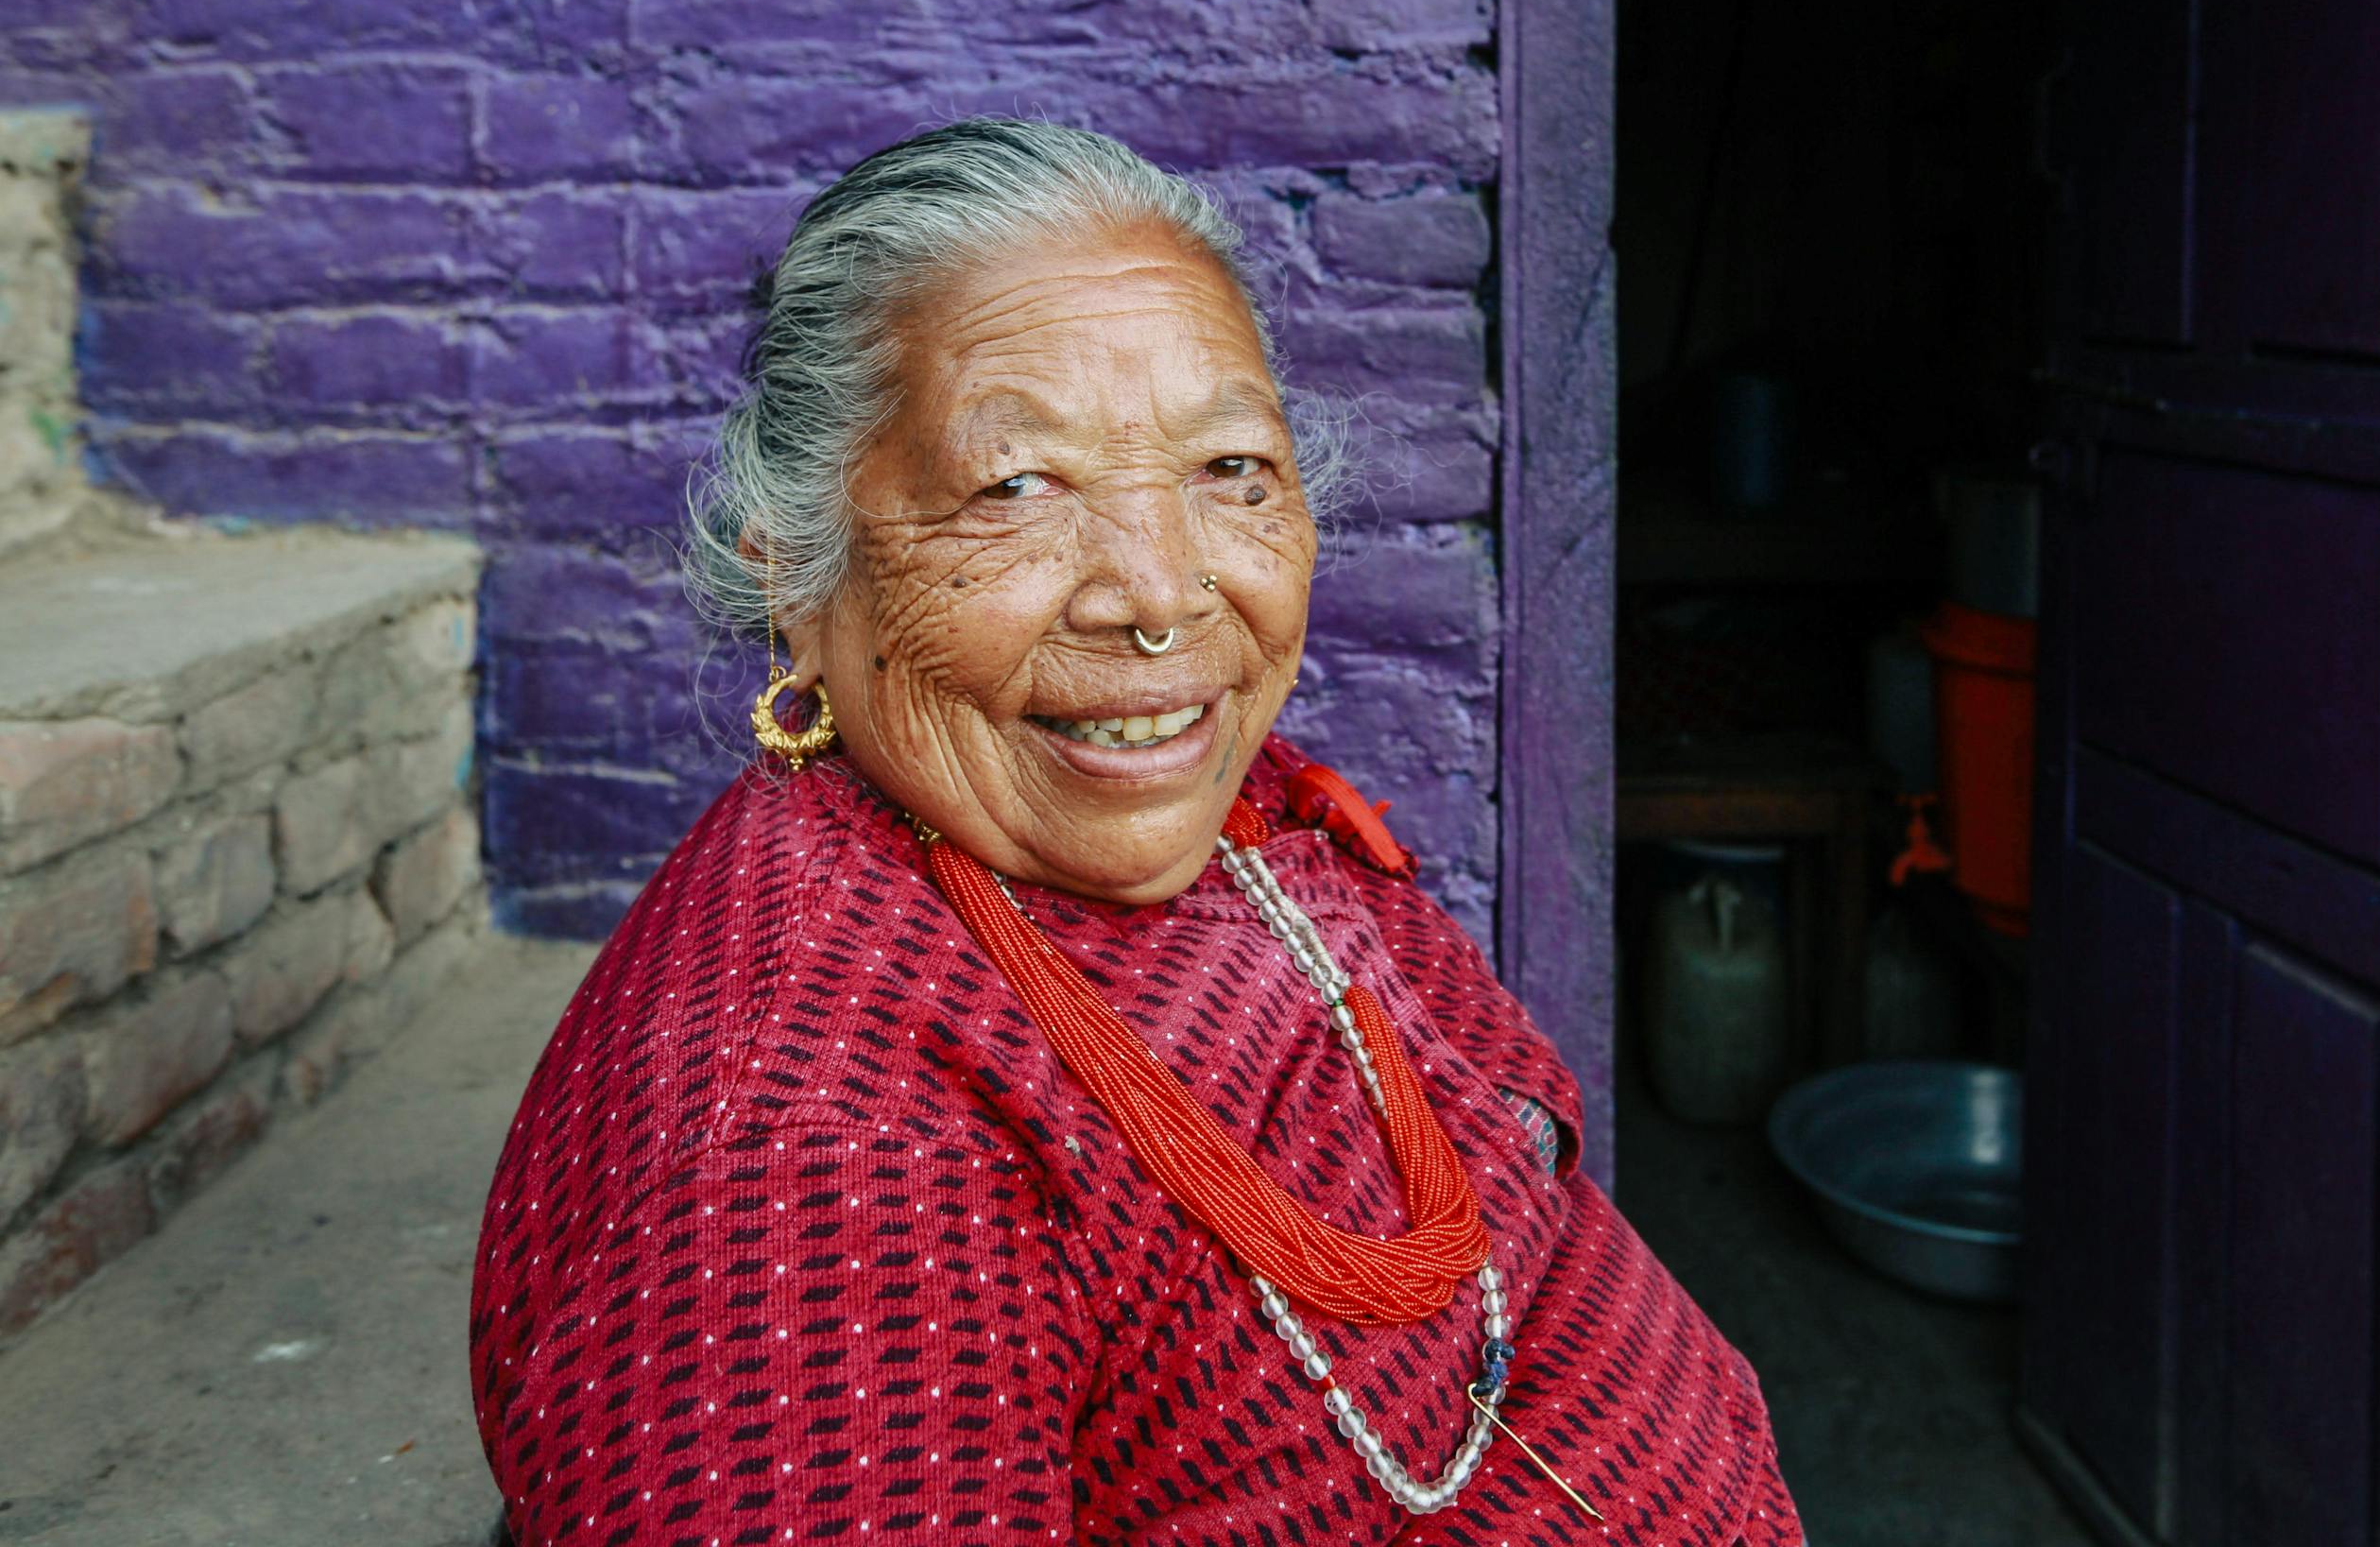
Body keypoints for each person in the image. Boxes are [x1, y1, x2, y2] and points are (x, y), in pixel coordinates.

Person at [470, 119, 1802, 1545]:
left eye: (1231, 468)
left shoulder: (1201, 811)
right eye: (1017, 487)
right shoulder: (801, 1161)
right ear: (799, 579)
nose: (1162, 592)